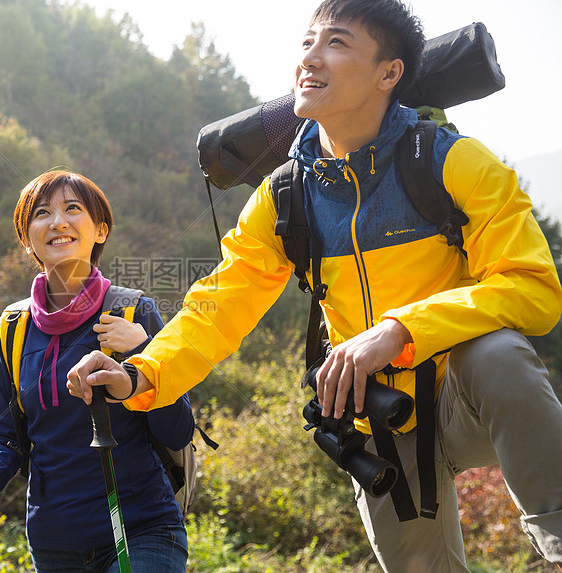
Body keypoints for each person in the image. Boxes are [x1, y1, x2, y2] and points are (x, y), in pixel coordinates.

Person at [66, 1, 562, 571]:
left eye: (337, 43)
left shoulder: (452, 164)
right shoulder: (285, 197)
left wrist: (399, 331)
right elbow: (218, 307)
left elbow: (532, 287)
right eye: (307, 42)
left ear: (389, 73)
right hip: (379, 421)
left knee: (499, 354)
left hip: (464, 399)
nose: (310, 58)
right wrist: (138, 375)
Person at [0, 170, 192, 572]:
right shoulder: (12, 328)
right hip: (54, 544)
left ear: (101, 230)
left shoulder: (133, 313)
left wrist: (143, 349)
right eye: (41, 213)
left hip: (141, 531)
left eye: (73, 209)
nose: (57, 221)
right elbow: (5, 437)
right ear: (27, 240)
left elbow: (178, 431)